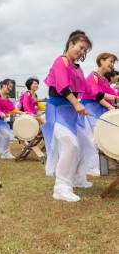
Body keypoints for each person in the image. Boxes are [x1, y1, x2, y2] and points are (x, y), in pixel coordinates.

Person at [42, 30, 94, 202]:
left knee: (87, 145)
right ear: (71, 44)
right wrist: (77, 103)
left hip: (71, 113)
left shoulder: (77, 69)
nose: (82, 52)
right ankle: (61, 187)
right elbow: (63, 87)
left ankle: (78, 178)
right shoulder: (61, 61)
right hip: (57, 111)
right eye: (81, 47)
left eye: (85, 50)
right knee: (70, 145)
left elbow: (88, 89)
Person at [80, 53, 119, 176]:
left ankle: (106, 161)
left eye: (113, 62)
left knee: (103, 134)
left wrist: (114, 101)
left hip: (99, 107)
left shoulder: (104, 79)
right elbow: (95, 94)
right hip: (90, 107)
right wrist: (109, 105)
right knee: (93, 137)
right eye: (110, 61)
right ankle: (90, 166)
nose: (112, 64)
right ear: (101, 61)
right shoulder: (93, 76)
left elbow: (111, 94)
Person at [0, 79, 26, 163]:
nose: (10, 88)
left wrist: (22, 112)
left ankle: (5, 153)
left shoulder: (6, 97)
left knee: (7, 135)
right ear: (3, 85)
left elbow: (12, 109)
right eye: (9, 86)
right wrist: (0, 113)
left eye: (11, 87)